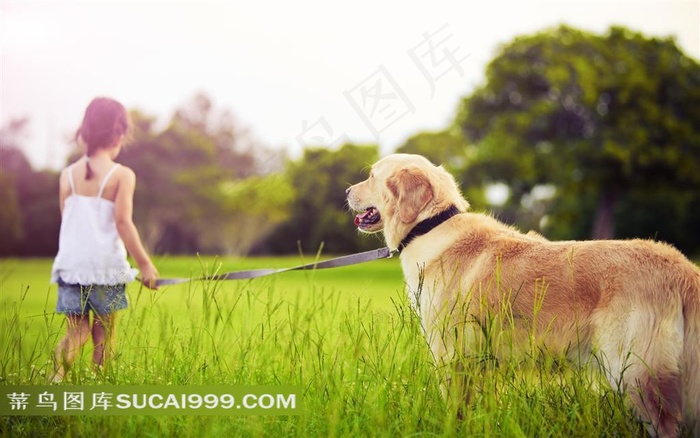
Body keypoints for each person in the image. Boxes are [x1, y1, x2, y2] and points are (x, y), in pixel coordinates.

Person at [50, 97, 159, 381]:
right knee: (104, 336)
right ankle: (100, 391)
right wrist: (145, 264)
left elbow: (68, 222)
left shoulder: (67, 176)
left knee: (77, 332)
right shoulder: (122, 175)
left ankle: (54, 379)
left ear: (84, 133)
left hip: (71, 267)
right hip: (106, 269)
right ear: (119, 135)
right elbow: (123, 223)